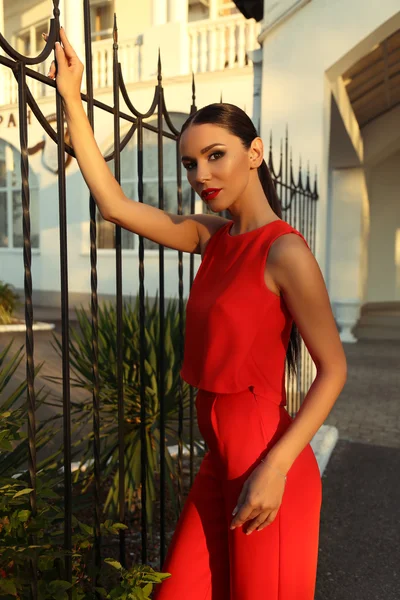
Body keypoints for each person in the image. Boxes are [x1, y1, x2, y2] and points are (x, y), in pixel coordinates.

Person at [45, 28, 347, 600]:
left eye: (215, 156)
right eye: (190, 164)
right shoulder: (215, 238)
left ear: (254, 153)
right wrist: (72, 100)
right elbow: (113, 203)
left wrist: (275, 467)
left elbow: (333, 369)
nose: (200, 176)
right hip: (220, 462)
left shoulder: (285, 252)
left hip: (266, 464)